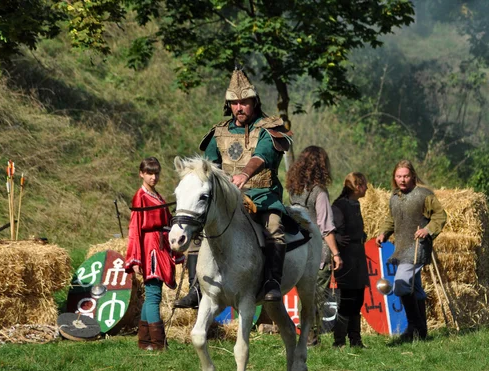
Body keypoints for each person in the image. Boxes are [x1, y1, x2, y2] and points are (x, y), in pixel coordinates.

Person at [200, 68, 293, 301]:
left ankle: (272, 282)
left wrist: (244, 174)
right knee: (200, 228)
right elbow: (208, 165)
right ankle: (196, 287)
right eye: (234, 103)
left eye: (244, 102)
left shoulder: (269, 127)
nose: (239, 107)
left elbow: (262, 155)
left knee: (274, 230)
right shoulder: (219, 132)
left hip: (263, 196)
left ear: (255, 102)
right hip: (229, 199)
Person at [376, 160, 447, 341]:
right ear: (394, 177)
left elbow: (440, 216)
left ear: (413, 176)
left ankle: (413, 326)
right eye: (399, 176)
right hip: (402, 248)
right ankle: (421, 331)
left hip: (417, 247)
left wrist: (427, 230)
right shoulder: (395, 197)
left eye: (406, 176)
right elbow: (391, 219)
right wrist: (383, 232)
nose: (402, 179)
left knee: (400, 284)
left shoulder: (424, 195)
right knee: (415, 289)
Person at [125, 157, 184, 350]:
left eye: (156, 173)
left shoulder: (157, 196)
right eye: (149, 173)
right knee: (153, 296)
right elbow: (134, 229)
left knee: (152, 295)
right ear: (141, 173)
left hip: (159, 246)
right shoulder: (140, 197)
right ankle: (159, 344)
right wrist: (135, 258)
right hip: (149, 248)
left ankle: (145, 342)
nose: (153, 177)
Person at [286, 146, 343, 345]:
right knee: (315, 297)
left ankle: (306, 336)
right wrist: (336, 253)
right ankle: (310, 338)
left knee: (305, 297)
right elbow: (326, 226)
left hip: (297, 249)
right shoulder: (319, 192)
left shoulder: (293, 190)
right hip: (318, 251)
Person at [331, 172, 370, 348]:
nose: (367, 188)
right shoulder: (340, 205)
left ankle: (356, 339)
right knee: (347, 299)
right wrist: (338, 238)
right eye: (364, 185)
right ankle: (339, 341)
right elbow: (331, 228)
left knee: (358, 299)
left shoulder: (355, 204)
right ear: (356, 186)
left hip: (358, 255)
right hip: (347, 256)